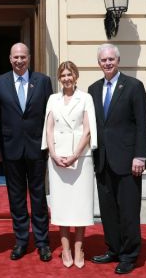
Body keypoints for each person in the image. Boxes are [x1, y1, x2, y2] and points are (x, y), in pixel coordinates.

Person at [88, 43, 146, 275]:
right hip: (103, 160)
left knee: (128, 211)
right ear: (99, 63)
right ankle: (113, 249)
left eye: (111, 59)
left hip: (128, 161)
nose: (107, 63)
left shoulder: (133, 86)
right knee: (108, 211)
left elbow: (143, 124)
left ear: (118, 60)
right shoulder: (93, 89)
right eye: (103, 60)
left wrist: (140, 155)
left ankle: (129, 255)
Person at [0, 43, 53, 262]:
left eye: (23, 57)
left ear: (29, 58)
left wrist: (51, 145)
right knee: (16, 198)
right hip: (11, 149)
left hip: (37, 148)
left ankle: (43, 242)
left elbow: (50, 116)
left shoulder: (43, 81)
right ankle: (20, 240)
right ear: (10, 59)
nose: (19, 61)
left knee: (38, 197)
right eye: (15, 57)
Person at [42, 61, 97, 268]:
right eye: (63, 75)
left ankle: (78, 248)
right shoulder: (52, 99)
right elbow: (48, 128)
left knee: (80, 206)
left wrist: (75, 155)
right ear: (59, 78)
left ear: (76, 76)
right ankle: (65, 249)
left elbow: (87, 130)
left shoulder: (86, 98)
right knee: (62, 207)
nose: (66, 78)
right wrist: (54, 154)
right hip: (57, 159)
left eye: (70, 74)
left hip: (81, 159)